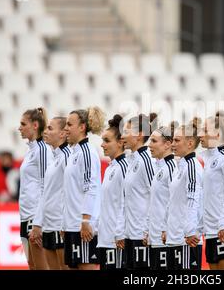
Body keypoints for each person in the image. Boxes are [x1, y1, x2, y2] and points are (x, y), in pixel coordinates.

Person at [63, 107, 105, 270]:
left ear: (81, 127)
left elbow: (91, 188)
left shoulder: (87, 152)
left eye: (69, 124)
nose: (66, 128)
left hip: (84, 226)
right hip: (73, 225)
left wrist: (86, 220)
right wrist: (65, 223)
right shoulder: (75, 152)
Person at [200, 112, 224, 270]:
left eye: (205, 130)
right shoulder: (209, 160)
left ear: (217, 134)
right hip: (210, 232)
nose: (200, 134)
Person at [30, 117, 70, 270]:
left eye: (50, 128)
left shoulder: (67, 157)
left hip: (61, 226)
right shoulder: (54, 158)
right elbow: (46, 193)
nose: (45, 131)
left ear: (62, 134)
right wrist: (38, 223)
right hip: (48, 225)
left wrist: (67, 223)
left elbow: (72, 192)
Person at [18, 107, 53, 270]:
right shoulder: (31, 150)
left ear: (35, 125)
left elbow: (47, 186)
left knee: (41, 266)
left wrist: (39, 222)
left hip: (35, 217)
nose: (19, 128)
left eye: (23, 124)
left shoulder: (43, 150)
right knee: (32, 265)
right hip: (26, 217)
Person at [166, 119, 203, 270]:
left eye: (176, 140)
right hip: (174, 237)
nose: (172, 144)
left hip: (186, 239)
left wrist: (190, 230)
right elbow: (173, 202)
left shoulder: (193, 166)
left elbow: (193, 199)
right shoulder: (179, 166)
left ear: (189, 143)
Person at [121, 113, 156, 269]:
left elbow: (155, 195)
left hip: (141, 235)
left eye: (127, 131)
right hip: (130, 233)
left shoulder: (146, 159)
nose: (123, 135)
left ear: (140, 135)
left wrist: (148, 230)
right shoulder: (132, 160)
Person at [147, 120, 177, 270]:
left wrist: (166, 229)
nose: (149, 145)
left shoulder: (172, 167)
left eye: (153, 141)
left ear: (167, 144)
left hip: (166, 238)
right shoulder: (159, 168)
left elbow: (174, 202)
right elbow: (155, 203)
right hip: (155, 237)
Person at [98, 114, 127, 270]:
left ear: (121, 143)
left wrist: (120, 233)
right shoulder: (111, 168)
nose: (102, 144)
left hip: (117, 240)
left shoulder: (124, 168)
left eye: (107, 140)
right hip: (105, 238)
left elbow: (127, 203)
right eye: (103, 140)